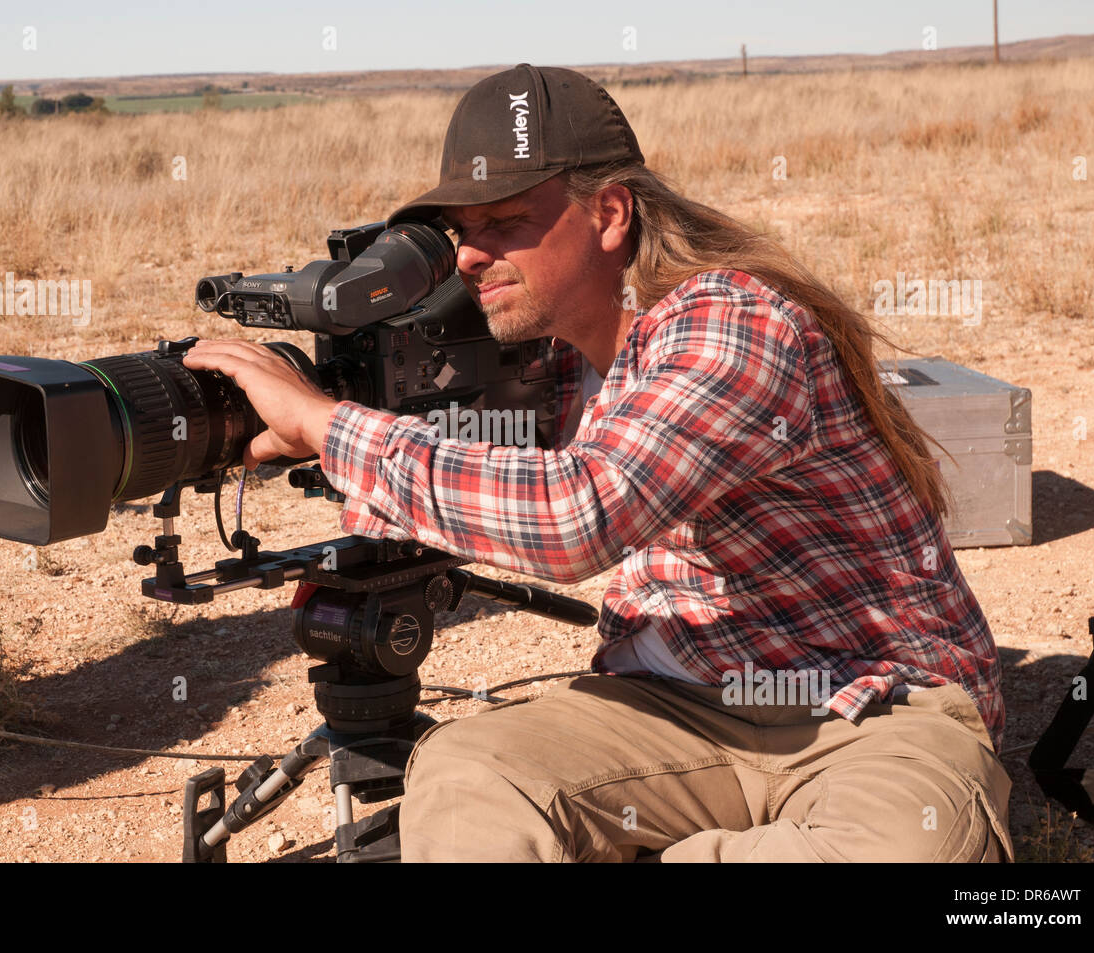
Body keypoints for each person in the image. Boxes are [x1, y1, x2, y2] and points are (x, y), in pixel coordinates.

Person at [183, 63, 1013, 863]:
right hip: (670, 710)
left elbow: (578, 516)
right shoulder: (554, 359)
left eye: (503, 221)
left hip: (860, 710)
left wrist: (331, 426)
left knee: (919, 844)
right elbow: (482, 485)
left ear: (611, 213)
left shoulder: (733, 322)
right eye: (463, 233)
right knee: (469, 775)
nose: (470, 256)